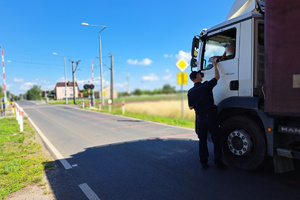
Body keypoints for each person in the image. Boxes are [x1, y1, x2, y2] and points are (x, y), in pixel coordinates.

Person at [187, 62, 226, 169]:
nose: (201, 75)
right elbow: (217, 77)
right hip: (211, 117)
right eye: (199, 74)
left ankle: (203, 161)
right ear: (197, 77)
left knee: (202, 140)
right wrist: (215, 66)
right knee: (216, 139)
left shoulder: (190, 92)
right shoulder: (206, 86)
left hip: (201, 118)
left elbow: (190, 107)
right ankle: (218, 161)